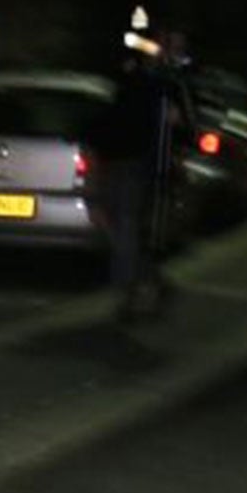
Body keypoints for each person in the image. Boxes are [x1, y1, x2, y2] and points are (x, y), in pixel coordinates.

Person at [94, 50, 185, 321]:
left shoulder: (140, 90)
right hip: (127, 163)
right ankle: (143, 282)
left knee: (125, 228)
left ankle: (128, 293)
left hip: (127, 164)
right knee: (126, 229)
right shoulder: (151, 90)